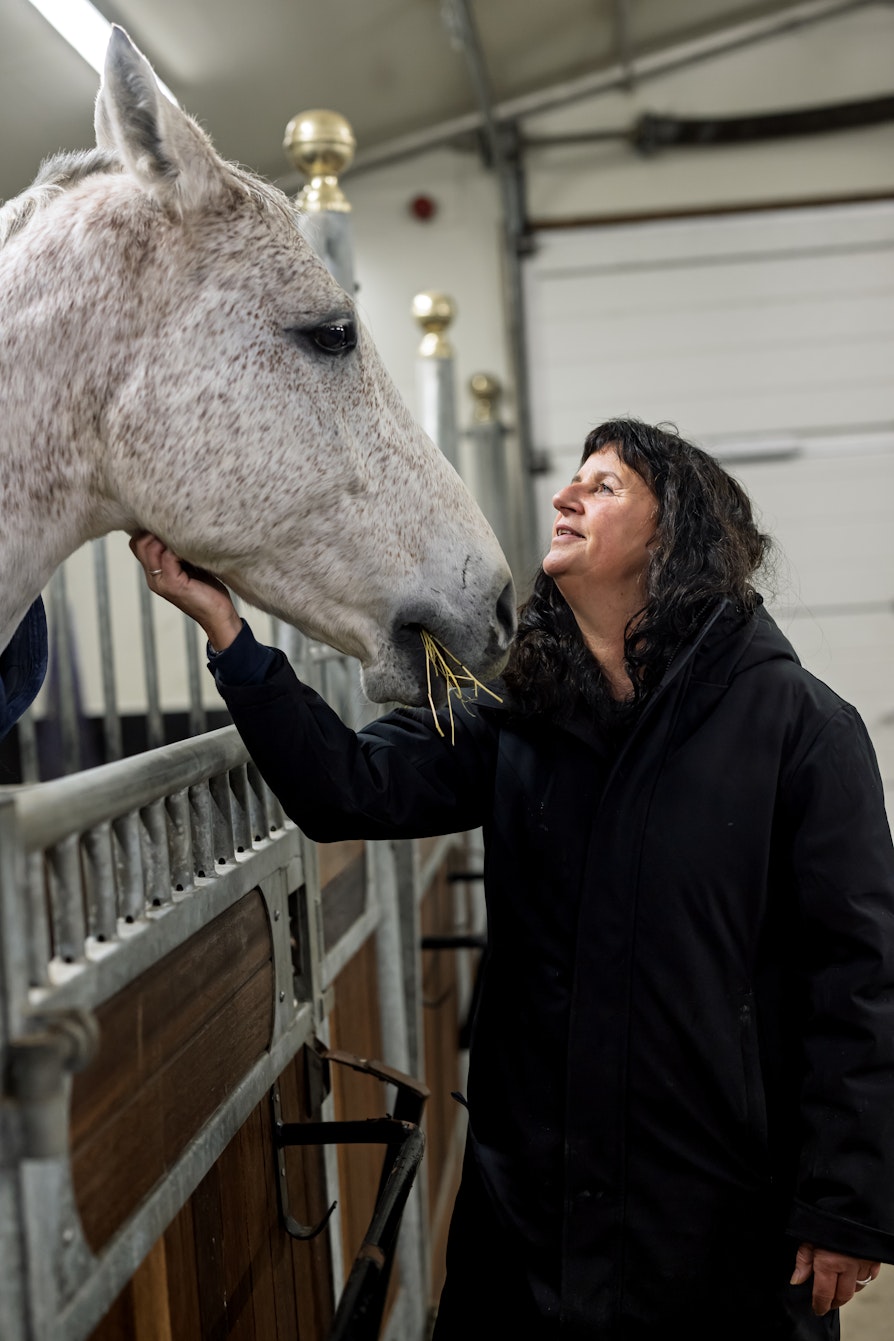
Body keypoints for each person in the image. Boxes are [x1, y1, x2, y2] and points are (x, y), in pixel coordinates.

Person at [132, 417, 894, 1340]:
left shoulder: (800, 728)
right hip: (531, 1205)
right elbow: (352, 790)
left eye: (605, 485)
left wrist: (847, 1204)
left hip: (715, 1211)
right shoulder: (519, 712)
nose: (568, 495)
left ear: (678, 532)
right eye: (571, 478)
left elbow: (863, 979)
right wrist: (232, 638)